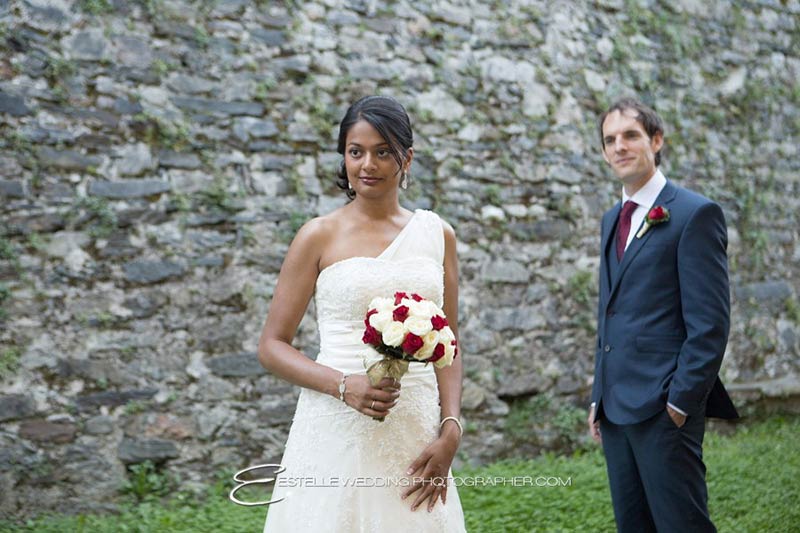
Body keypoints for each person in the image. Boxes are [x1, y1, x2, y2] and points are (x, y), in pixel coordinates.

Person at [257, 95, 466, 532]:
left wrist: (451, 429)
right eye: (356, 151)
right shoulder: (318, 236)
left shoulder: (437, 234)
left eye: (382, 151)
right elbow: (272, 346)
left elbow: (449, 344)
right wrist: (342, 385)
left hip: (414, 429)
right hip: (336, 423)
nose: (367, 164)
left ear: (406, 158)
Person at [587, 97, 738, 532]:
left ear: (656, 140)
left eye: (630, 136)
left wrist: (679, 403)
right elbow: (609, 311)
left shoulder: (694, 214)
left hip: (663, 409)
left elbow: (710, 324)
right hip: (614, 410)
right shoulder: (610, 219)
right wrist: (599, 393)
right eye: (609, 140)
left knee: (681, 524)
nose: (619, 147)